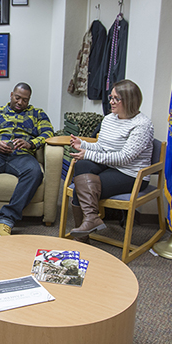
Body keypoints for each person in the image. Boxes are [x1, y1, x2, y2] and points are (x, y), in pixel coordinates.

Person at [0, 83, 54, 239]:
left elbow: (48, 133)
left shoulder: (38, 114)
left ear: (29, 100)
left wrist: (31, 143)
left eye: (24, 100)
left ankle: (7, 220)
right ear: (11, 94)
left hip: (22, 155)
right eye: (17, 98)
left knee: (34, 172)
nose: (20, 102)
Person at [68, 79, 154, 238]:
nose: (111, 102)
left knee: (81, 187)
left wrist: (88, 153)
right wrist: (84, 145)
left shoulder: (142, 125)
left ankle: (82, 238)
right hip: (111, 166)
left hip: (131, 174)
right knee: (82, 167)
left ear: (129, 101)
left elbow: (124, 158)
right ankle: (91, 219)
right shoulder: (109, 119)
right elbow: (103, 147)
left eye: (116, 99)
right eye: (111, 97)